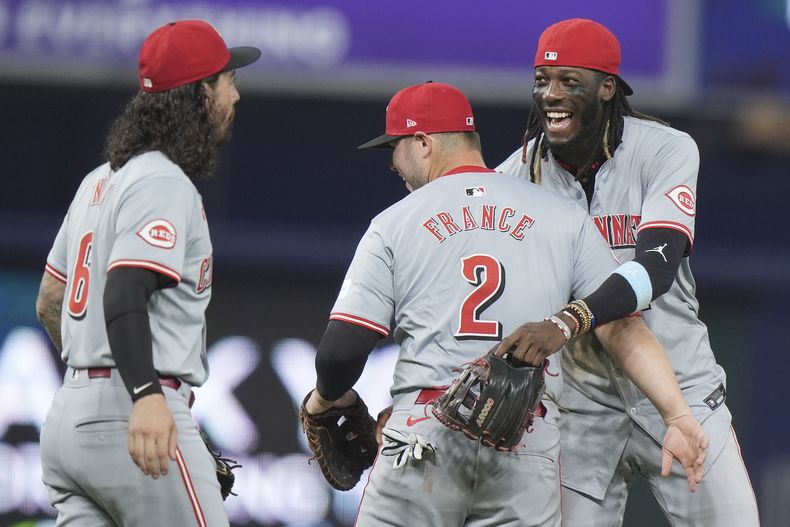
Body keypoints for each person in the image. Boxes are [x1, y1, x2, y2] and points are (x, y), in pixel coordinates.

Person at [301, 81, 707, 526]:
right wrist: (677, 413)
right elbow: (622, 326)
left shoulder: (394, 223)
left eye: (394, 147)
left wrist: (325, 399)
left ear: (422, 144)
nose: (392, 162)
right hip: (523, 439)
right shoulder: (562, 215)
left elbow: (342, 350)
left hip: (424, 437)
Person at [495, 18, 760, 526]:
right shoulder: (515, 178)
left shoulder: (664, 149)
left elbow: (655, 269)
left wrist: (567, 320)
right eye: (542, 81)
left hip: (682, 392)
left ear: (607, 87)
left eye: (569, 81)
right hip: (580, 412)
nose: (551, 94)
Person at [34, 19, 260, 526]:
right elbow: (126, 291)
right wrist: (145, 395)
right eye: (228, 81)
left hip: (69, 418)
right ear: (201, 93)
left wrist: (89, 373)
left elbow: (51, 300)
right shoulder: (162, 180)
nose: (236, 95)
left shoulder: (99, 181)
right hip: (130, 411)